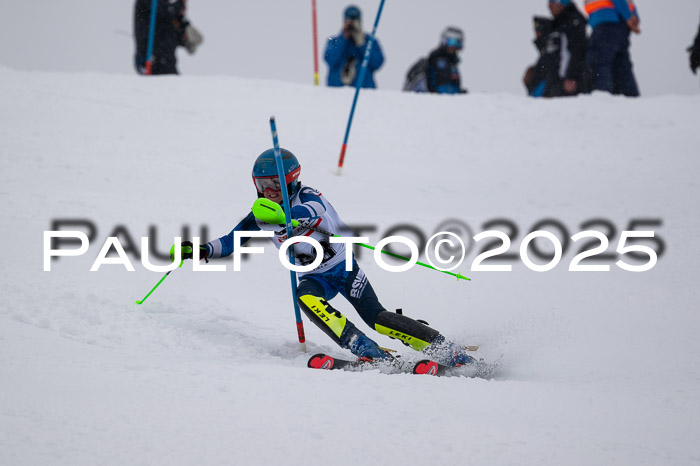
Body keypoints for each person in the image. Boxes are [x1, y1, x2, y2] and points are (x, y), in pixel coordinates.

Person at [172, 148, 476, 367]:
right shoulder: (262, 214)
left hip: (344, 268)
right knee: (305, 296)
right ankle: (367, 350)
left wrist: (286, 218)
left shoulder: (308, 196)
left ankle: (447, 350)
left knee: (377, 318)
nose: (269, 191)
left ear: (291, 180)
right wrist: (200, 250)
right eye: (263, 186)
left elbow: (315, 211)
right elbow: (230, 241)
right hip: (315, 277)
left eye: (275, 184)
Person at [584, 0, 640, 96]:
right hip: (619, 24)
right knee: (620, 67)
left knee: (599, 63)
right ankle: (630, 99)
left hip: (606, 22)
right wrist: (631, 16)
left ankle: (602, 98)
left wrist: (628, 17)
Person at [133, 0, 203, 75]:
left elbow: (171, 34)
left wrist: (184, 28)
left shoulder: (170, 8)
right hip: (150, 60)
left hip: (168, 61)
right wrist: (180, 4)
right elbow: (165, 11)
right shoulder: (155, 4)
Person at [324, 5, 384, 88]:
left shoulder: (369, 41)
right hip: (337, 90)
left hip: (364, 90)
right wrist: (343, 38)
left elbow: (377, 63)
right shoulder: (335, 41)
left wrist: (362, 44)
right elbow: (330, 59)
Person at [404, 27, 467, 94]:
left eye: (458, 42)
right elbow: (441, 88)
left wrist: (459, 92)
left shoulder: (451, 63)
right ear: (444, 41)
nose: (454, 46)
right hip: (436, 99)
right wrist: (457, 94)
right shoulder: (439, 61)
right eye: (451, 42)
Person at [548, 0, 589, 95]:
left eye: (553, 2)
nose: (549, 5)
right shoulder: (559, 22)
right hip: (560, 80)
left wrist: (572, 76)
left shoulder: (572, 21)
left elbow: (578, 49)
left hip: (569, 83)